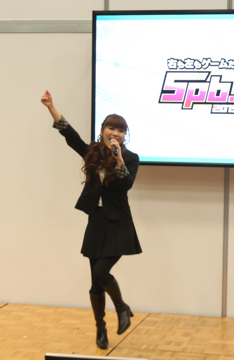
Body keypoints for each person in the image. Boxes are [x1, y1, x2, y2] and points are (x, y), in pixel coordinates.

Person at [41, 90, 142, 350]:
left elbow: (126, 185)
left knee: (101, 271)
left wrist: (118, 158)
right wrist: (51, 107)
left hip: (119, 223)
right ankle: (100, 328)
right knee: (95, 282)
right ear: (102, 130)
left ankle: (121, 307)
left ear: (124, 136)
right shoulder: (92, 152)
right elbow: (69, 134)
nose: (116, 133)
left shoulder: (130, 158)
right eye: (111, 128)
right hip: (97, 221)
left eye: (121, 130)